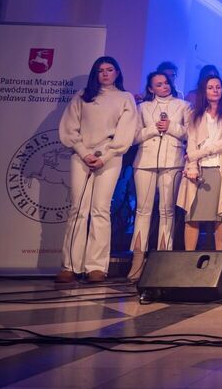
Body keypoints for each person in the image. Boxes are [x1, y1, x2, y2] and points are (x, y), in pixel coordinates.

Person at [56, 57, 138, 284]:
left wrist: (105, 155)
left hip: (109, 158)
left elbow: (125, 133)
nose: (105, 74)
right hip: (82, 156)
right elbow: (69, 128)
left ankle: (96, 266)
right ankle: (70, 266)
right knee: (78, 209)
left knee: (100, 209)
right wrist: (84, 153)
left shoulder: (125, 98)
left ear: (117, 72)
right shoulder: (83, 95)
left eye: (109, 69)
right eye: (100, 70)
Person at [127, 71, 190, 281]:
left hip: (172, 161)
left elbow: (191, 133)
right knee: (143, 211)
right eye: (159, 84)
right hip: (145, 161)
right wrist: (153, 129)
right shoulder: (143, 108)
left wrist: (171, 127)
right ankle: (138, 259)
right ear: (151, 88)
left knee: (167, 210)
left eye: (166, 83)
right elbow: (134, 136)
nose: (164, 86)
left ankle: (164, 259)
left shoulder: (183, 105)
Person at [177, 75, 222, 252]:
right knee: (192, 215)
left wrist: (200, 152)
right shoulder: (195, 115)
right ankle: (189, 258)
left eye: (218, 87)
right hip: (198, 170)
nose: (215, 90)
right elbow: (192, 142)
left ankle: (219, 258)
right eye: (211, 87)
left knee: (219, 215)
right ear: (204, 90)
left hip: (218, 168)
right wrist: (193, 165)